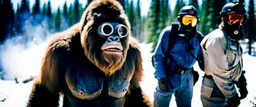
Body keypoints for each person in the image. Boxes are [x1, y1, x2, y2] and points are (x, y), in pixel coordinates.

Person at [152, 5, 204, 107]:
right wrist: (161, 78)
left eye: (192, 21)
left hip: (187, 78)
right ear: (180, 20)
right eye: (186, 20)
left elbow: (203, 58)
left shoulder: (198, 38)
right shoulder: (169, 33)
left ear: (197, 22)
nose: (189, 24)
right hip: (169, 75)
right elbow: (158, 57)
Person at [200, 2, 248, 107]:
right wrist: (232, 95)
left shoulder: (231, 38)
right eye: (233, 18)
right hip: (214, 91)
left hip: (226, 86)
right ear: (224, 18)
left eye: (240, 19)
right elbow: (219, 72)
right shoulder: (217, 38)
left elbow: (233, 63)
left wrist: (241, 79)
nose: (237, 23)